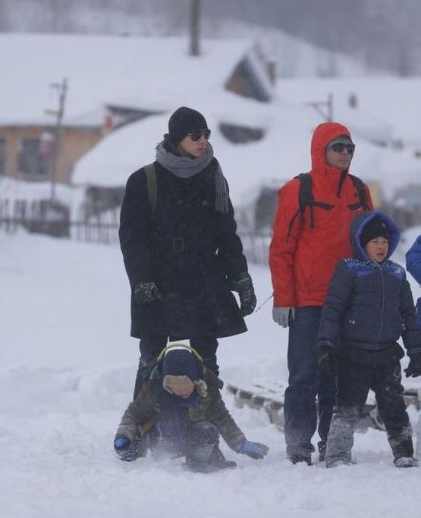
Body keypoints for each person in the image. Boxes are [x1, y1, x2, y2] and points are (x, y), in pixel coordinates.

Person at [119, 107, 256, 397]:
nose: (203, 140)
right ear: (177, 138)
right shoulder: (144, 180)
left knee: (206, 364)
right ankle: (139, 434)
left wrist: (241, 278)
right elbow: (133, 240)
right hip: (159, 282)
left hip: (203, 281)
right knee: (152, 363)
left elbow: (227, 234)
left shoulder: (213, 176)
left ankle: (205, 435)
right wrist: (141, 280)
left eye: (206, 134)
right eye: (195, 135)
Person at [269, 122, 373, 465]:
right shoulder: (298, 189)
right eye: (338, 147)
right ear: (321, 149)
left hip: (349, 300)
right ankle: (299, 445)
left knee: (339, 378)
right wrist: (284, 298)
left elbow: (372, 244)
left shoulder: (359, 190)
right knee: (303, 376)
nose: (345, 153)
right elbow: (282, 248)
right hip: (309, 302)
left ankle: (334, 444)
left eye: (349, 148)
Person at [318, 211, 421, 468]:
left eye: (385, 242)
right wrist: (326, 346)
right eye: (375, 242)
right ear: (362, 243)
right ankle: (338, 454)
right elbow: (333, 309)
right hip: (354, 353)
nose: (381, 247)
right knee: (348, 406)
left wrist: (416, 350)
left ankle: (404, 452)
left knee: (394, 405)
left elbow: (408, 314)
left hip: (387, 354)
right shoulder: (349, 269)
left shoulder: (397, 274)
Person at [113, 346, 269, 473]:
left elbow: (221, 417)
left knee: (207, 431)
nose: (181, 391)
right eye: (173, 385)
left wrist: (240, 443)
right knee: (167, 421)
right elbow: (133, 415)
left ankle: (197, 461)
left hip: (195, 433)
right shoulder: (154, 389)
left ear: (196, 380)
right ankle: (170, 456)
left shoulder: (208, 390)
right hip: (162, 434)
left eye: (185, 384)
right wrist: (124, 437)